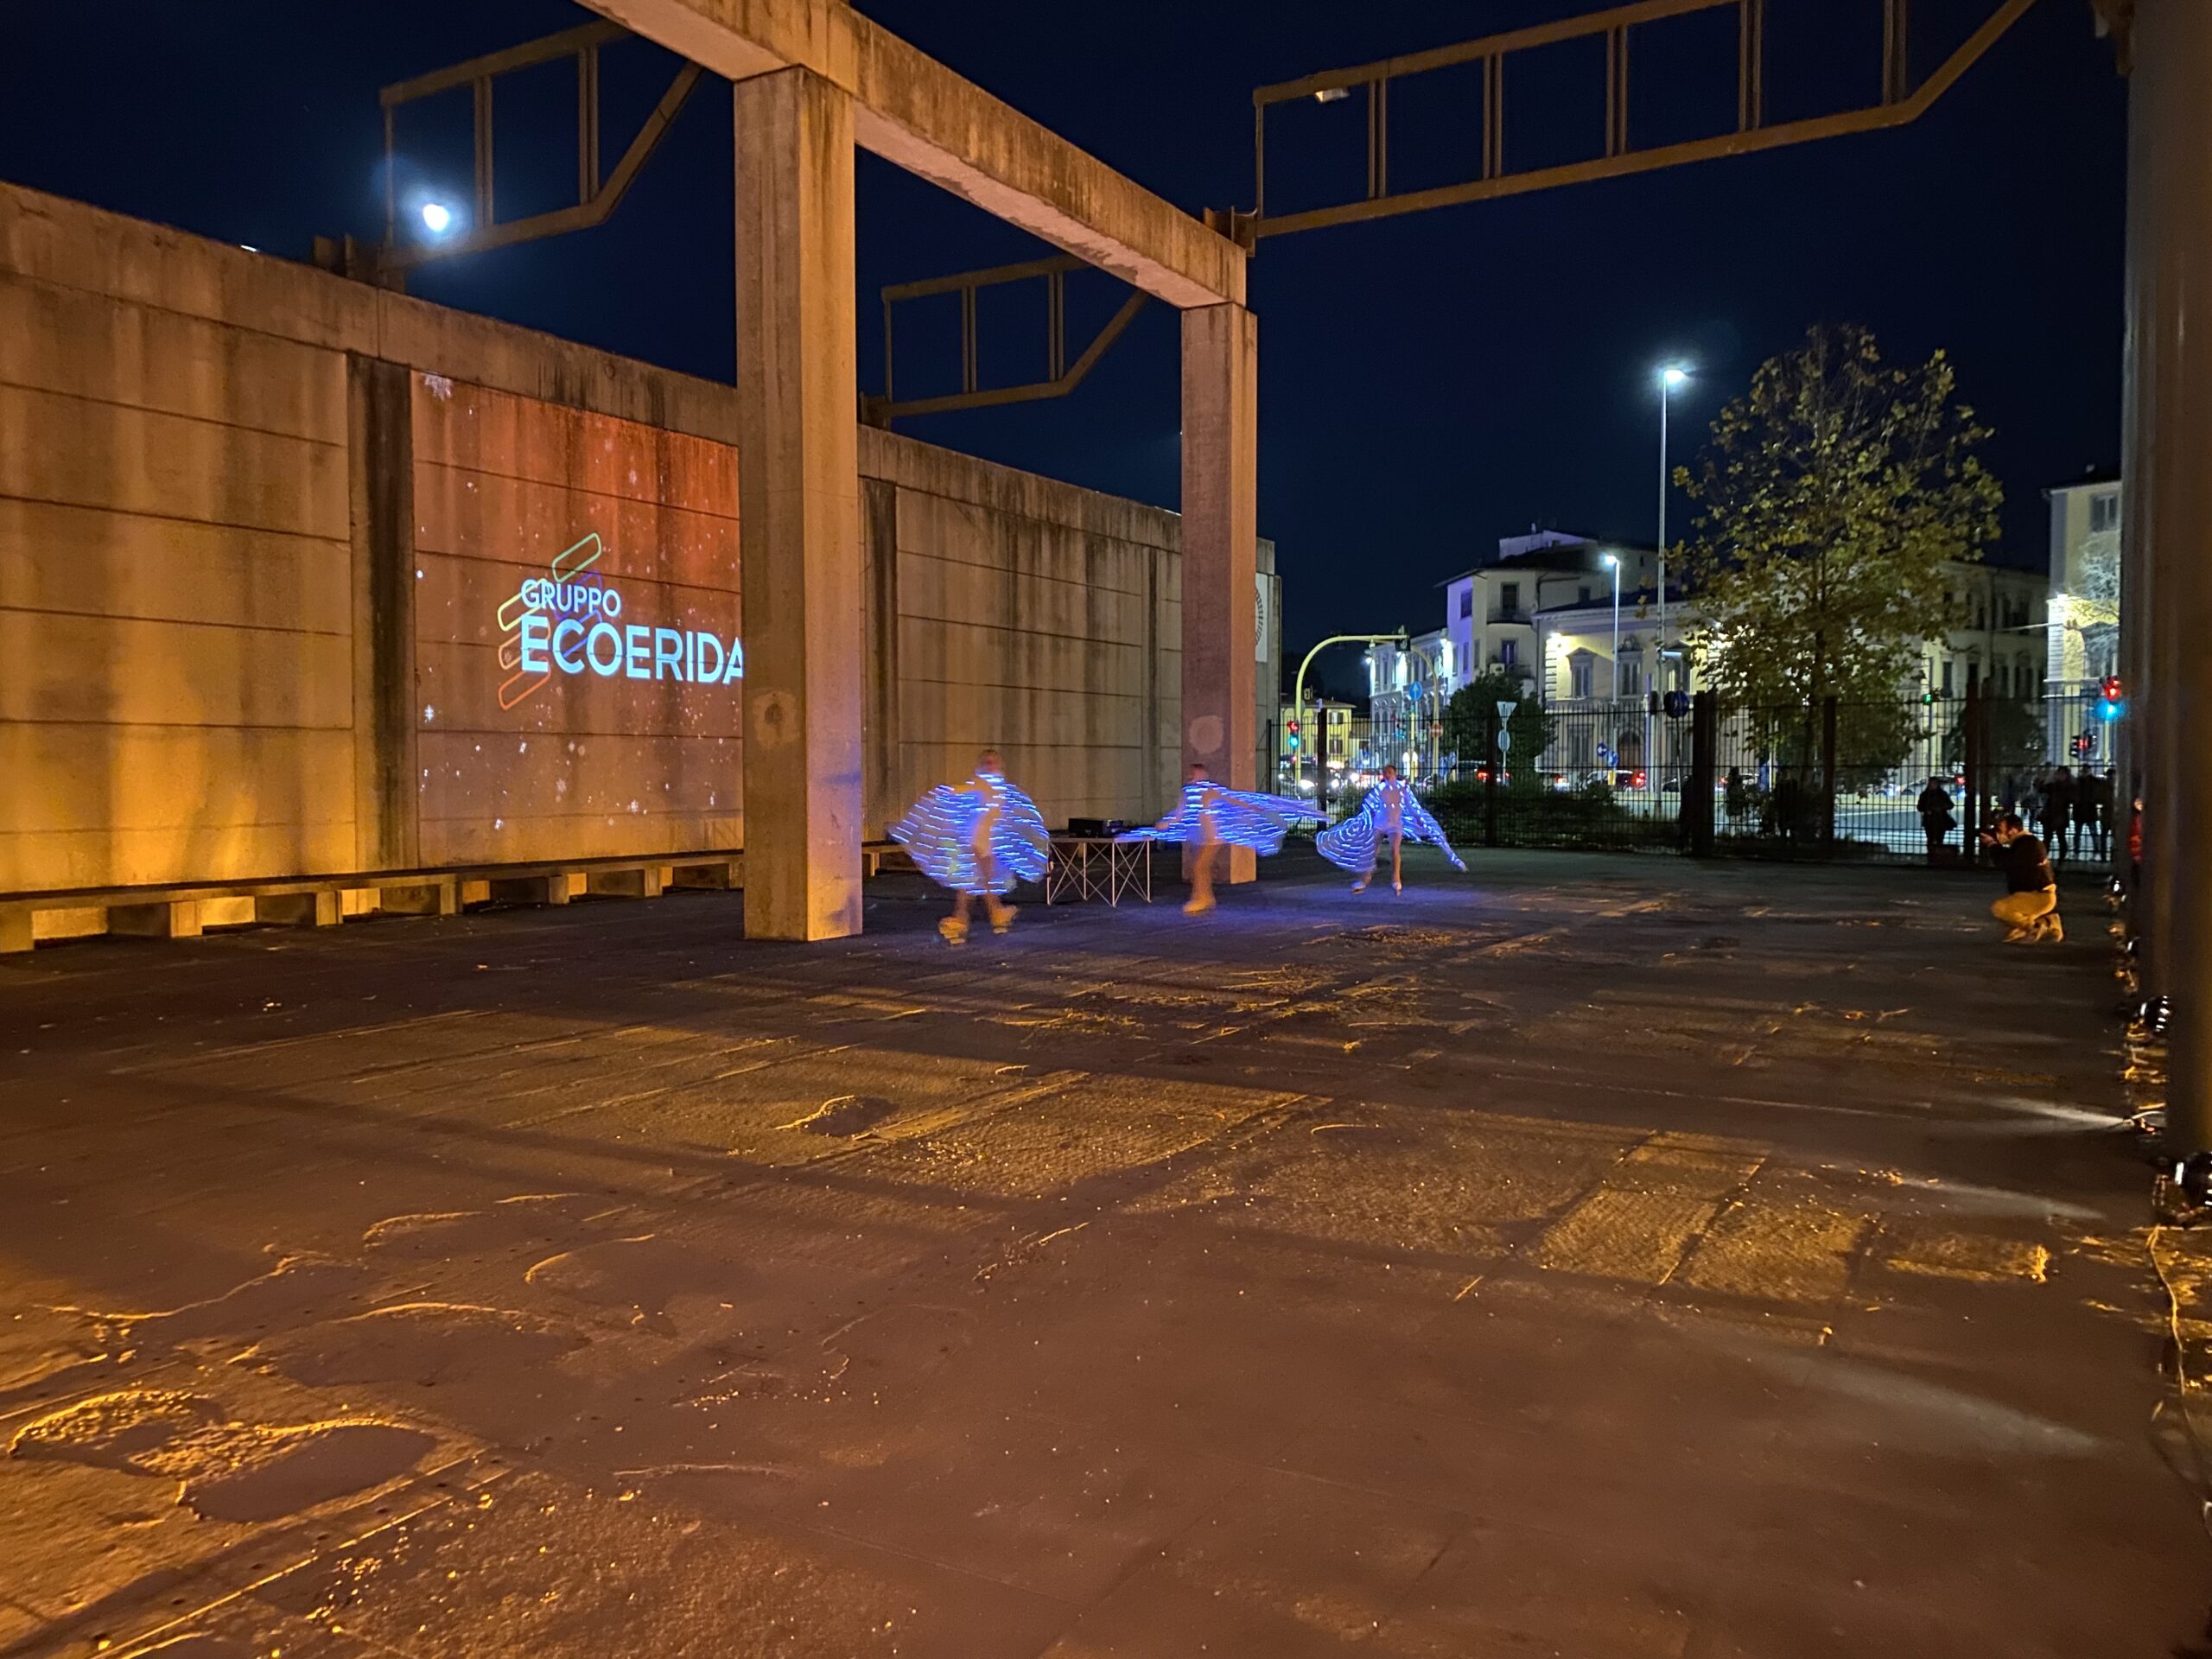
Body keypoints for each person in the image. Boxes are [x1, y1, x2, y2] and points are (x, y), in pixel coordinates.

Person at [890, 748, 1050, 944]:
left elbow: (1006, 814)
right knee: (978, 881)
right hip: (978, 841)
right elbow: (964, 794)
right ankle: (978, 917)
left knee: (976, 882)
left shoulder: (999, 788)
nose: (992, 766)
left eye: (994, 762)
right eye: (988, 762)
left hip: (987, 842)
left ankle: (974, 918)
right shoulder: (981, 785)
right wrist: (950, 792)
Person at [1121, 764, 1314, 915]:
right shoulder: (1188, 792)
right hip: (1199, 836)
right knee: (1200, 868)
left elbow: (1234, 800)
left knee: (1199, 867)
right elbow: (1180, 814)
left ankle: (1201, 898)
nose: (1193, 776)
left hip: (1212, 838)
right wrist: (1164, 823)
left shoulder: (1210, 790)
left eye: (1196, 773)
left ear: (1202, 775)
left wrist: (1256, 808)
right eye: (1192, 774)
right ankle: (1205, 897)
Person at [1317, 764, 1466, 893]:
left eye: (1389, 772)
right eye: (1385, 772)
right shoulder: (1380, 788)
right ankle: (1365, 879)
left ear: (1394, 773)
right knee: (1372, 850)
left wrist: (1419, 819)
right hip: (1380, 823)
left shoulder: (1403, 788)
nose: (1387, 775)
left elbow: (1412, 806)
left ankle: (1396, 879)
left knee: (1394, 850)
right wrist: (1367, 816)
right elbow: (1368, 804)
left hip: (1395, 824)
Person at [1980, 812, 2061, 944]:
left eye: (2000, 828)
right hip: (2038, 895)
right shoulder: (2026, 843)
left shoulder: (2029, 845)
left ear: (2013, 830)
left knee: (2000, 908)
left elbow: (2006, 862)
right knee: (2014, 920)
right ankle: (2047, 922)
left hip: (2039, 896)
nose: (1998, 832)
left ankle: (2037, 926)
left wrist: (1992, 845)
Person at [1915, 775, 1956, 867]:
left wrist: (1940, 807)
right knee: (1930, 838)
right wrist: (1927, 809)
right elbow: (1919, 807)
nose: (1932, 785)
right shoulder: (1925, 795)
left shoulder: (1942, 794)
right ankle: (1931, 856)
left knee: (1939, 839)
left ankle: (1938, 857)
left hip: (1940, 819)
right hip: (1929, 819)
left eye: (1934, 783)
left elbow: (1951, 805)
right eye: (1931, 783)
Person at [2039, 766, 2075, 863]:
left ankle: (2061, 859)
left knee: (2060, 838)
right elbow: (2041, 789)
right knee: (2047, 839)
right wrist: (2045, 780)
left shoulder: (2069, 787)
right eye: (2059, 773)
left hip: (2060, 815)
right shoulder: (2053, 785)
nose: (2060, 776)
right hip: (2050, 814)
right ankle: (2044, 858)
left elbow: (2073, 799)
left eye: (2062, 774)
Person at [2079, 768, 2113, 862]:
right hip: (2111, 813)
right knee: (2111, 837)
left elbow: (2098, 798)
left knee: (2103, 836)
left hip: (2105, 813)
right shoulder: (2116, 785)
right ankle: (2111, 856)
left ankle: (2103, 856)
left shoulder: (2103, 785)